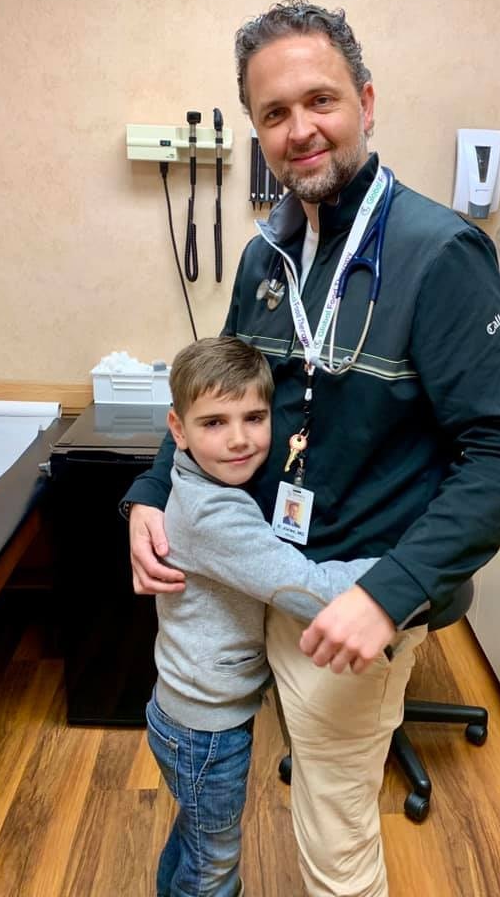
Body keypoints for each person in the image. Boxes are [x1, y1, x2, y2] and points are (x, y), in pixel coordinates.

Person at [125, 0, 500, 897]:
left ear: (365, 99)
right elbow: (212, 396)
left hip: (353, 603)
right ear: (255, 131)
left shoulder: (440, 254)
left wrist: (385, 596)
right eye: (274, 113)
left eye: (320, 100)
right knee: (243, 802)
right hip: (264, 572)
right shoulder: (264, 259)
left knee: (333, 839)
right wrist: (150, 494)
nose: (299, 128)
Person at [148, 335, 376, 897]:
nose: (240, 440)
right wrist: (405, 571)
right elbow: (310, 590)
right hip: (206, 729)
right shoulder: (213, 516)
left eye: (254, 417)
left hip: (185, 712)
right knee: (213, 867)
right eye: (214, 423)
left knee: (194, 839)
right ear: (178, 430)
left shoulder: (195, 477)